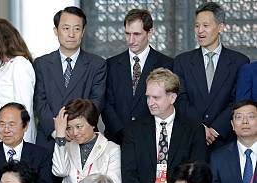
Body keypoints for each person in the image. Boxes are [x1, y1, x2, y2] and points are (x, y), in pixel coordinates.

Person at [121, 68, 206, 183]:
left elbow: (196, 175)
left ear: (172, 97)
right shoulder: (133, 130)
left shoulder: (193, 130)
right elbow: (129, 177)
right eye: (148, 97)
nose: (150, 102)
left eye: (156, 97)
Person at [173, 2, 249, 151]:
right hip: (191, 141)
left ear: (221, 27)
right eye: (196, 26)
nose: (200, 31)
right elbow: (180, 99)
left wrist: (215, 129)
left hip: (226, 142)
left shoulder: (239, 62)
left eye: (206, 25)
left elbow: (238, 101)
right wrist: (200, 128)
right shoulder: (182, 61)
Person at [34, 6, 106, 153]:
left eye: (77, 29)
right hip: (49, 140)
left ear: (83, 32)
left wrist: (75, 130)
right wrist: (57, 132)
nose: (71, 34)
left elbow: (96, 102)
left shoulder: (97, 64)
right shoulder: (41, 64)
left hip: (83, 139)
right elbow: (39, 102)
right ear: (56, 31)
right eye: (66, 28)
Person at [102, 9, 173, 145]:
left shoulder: (167, 64)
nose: (131, 40)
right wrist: (121, 132)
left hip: (152, 140)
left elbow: (168, 104)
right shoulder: (111, 64)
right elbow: (106, 104)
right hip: (116, 141)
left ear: (150, 32)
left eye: (137, 34)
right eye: (127, 34)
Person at [50, 98, 121, 183]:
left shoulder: (111, 149)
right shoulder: (66, 144)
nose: (75, 133)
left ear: (93, 123)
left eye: (79, 126)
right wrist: (60, 136)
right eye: (69, 128)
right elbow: (59, 171)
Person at [210, 100, 257, 183]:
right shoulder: (218, 158)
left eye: (251, 117)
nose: (245, 122)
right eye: (239, 117)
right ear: (232, 125)